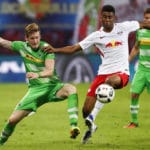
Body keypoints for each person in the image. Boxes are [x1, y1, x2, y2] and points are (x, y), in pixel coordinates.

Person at [42, 5, 150, 144]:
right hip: (102, 74)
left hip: (121, 73)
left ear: (114, 18)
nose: (107, 20)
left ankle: (92, 117)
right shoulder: (96, 36)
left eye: (110, 17)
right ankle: (91, 126)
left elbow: (144, 23)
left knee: (110, 82)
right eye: (104, 17)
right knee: (85, 111)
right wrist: (55, 50)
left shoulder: (124, 27)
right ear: (101, 18)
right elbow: (74, 48)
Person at [0, 23, 80, 145]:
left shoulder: (46, 48)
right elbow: (3, 42)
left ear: (40, 36)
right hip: (35, 91)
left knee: (71, 89)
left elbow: (49, 70)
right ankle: (1, 142)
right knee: (12, 120)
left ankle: (73, 126)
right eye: (32, 38)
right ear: (26, 38)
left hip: (53, 87)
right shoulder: (21, 47)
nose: (35, 41)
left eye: (37, 37)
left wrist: (37, 74)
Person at [124, 8, 150, 128]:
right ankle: (134, 122)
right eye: (145, 18)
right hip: (141, 70)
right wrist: (127, 61)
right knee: (134, 94)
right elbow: (136, 48)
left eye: (149, 18)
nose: (147, 20)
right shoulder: (140, 32)